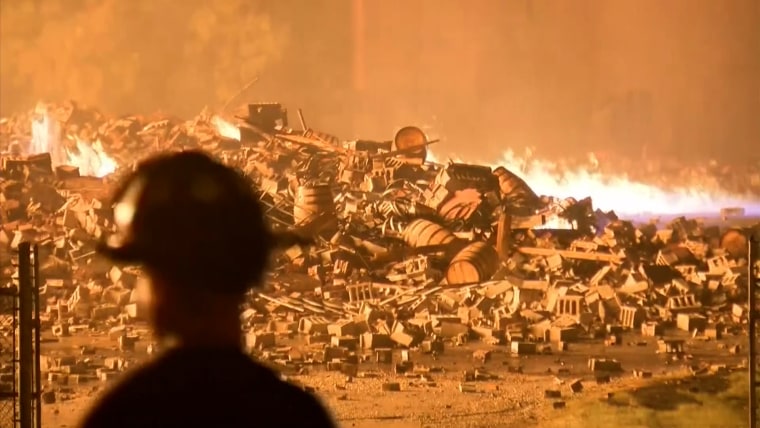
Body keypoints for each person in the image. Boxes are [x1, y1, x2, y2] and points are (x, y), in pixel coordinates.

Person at [78, 150, 336, 428]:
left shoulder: (122, 415)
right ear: (250, 272)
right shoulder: (297, 415)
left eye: (146, 271)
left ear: (162, 287)